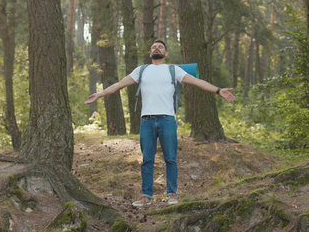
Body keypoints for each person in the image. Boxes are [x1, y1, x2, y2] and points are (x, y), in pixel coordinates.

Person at [84, 40, 236, 207]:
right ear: (150, 53)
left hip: (167, 120)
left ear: (166, 53)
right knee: (147, 159)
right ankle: (146, 195)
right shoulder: (141, 70)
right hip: (146, 121)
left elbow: (197, 82)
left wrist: (218, 90)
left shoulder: (173, 70)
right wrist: (100, 94)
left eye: (160, 47)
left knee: (170, 158)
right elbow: (119, 85)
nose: (156, 48)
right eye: (154, 47)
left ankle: (172, 194)